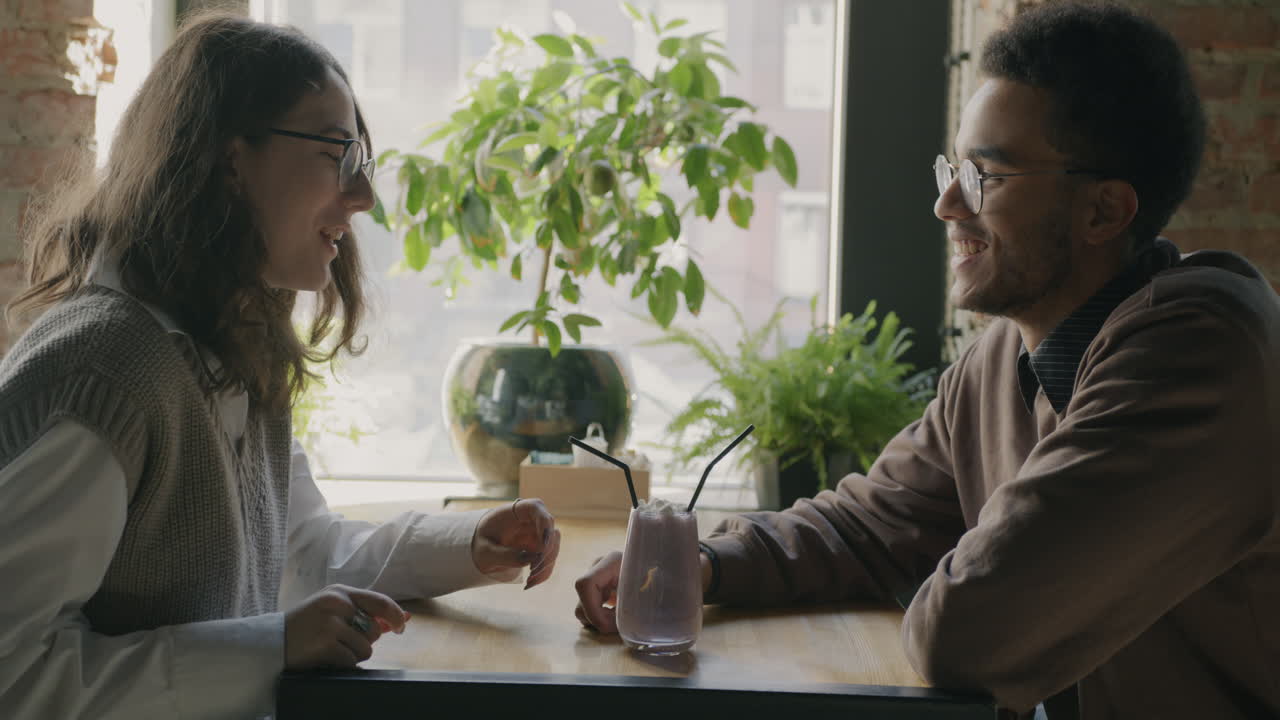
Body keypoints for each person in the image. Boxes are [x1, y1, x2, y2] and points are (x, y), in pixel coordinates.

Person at [574, 2, 1279, 718]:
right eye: (953, 169)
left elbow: (968, 632)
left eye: (986, 177)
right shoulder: (1006, 353)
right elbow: (870, 527)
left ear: (1103, 212)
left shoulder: (1200, 357)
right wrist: (707, 564)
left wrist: (945, 579)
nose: (946, 204)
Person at [0, 11, 562, 720]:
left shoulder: (230, 346)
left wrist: (472, 545)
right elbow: (11, 675)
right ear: (231, 162)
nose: (362, 199)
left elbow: (301, 551)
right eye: (337, 155)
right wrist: (268, 650)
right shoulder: (105, 370)